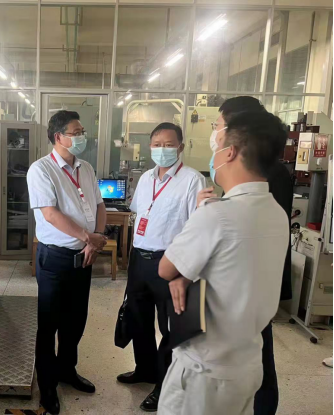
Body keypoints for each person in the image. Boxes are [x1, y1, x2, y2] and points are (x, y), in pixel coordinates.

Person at [157, 110, 289, 415]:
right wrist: (186, 274)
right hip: (247, 364)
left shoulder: (216, 215)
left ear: (230, 152)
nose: (213, 151)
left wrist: (182, 272)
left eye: (218, 141)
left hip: (204, 372)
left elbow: (166, 268)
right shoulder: (276, 213)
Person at [200, 96, 293, 415]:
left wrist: (215, 215)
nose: (215, 132)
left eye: (218, 125)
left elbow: (256, 226)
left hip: (252, 280)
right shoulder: (251, 171)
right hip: (240, 279)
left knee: (259, 354)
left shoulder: (269, 173)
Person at [116, 122, 206, 412]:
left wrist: (186, 270)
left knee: (169, 326)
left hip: (170, 262)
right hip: (139, 260)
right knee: (138, 317)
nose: (162, 149)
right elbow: (141, 213)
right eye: (157, 144)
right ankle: (144, 369)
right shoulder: (145, 178)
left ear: (181, 147)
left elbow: (197, 227)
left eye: (168, 144)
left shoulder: (192, 180)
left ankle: (164, 383)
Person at [27, 110, 107, 415]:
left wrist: (96, 239)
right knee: (49, 324)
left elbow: (99, 204)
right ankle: (47, 386)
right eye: (77, 132)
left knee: (75, 321)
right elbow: (50, 214)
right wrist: (89, 237)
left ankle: (67, 370)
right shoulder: (41, 170)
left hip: (84, 257)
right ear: (59, 136)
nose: (82, 137)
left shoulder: (86, 168)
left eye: (82, 131)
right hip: (55, 258)